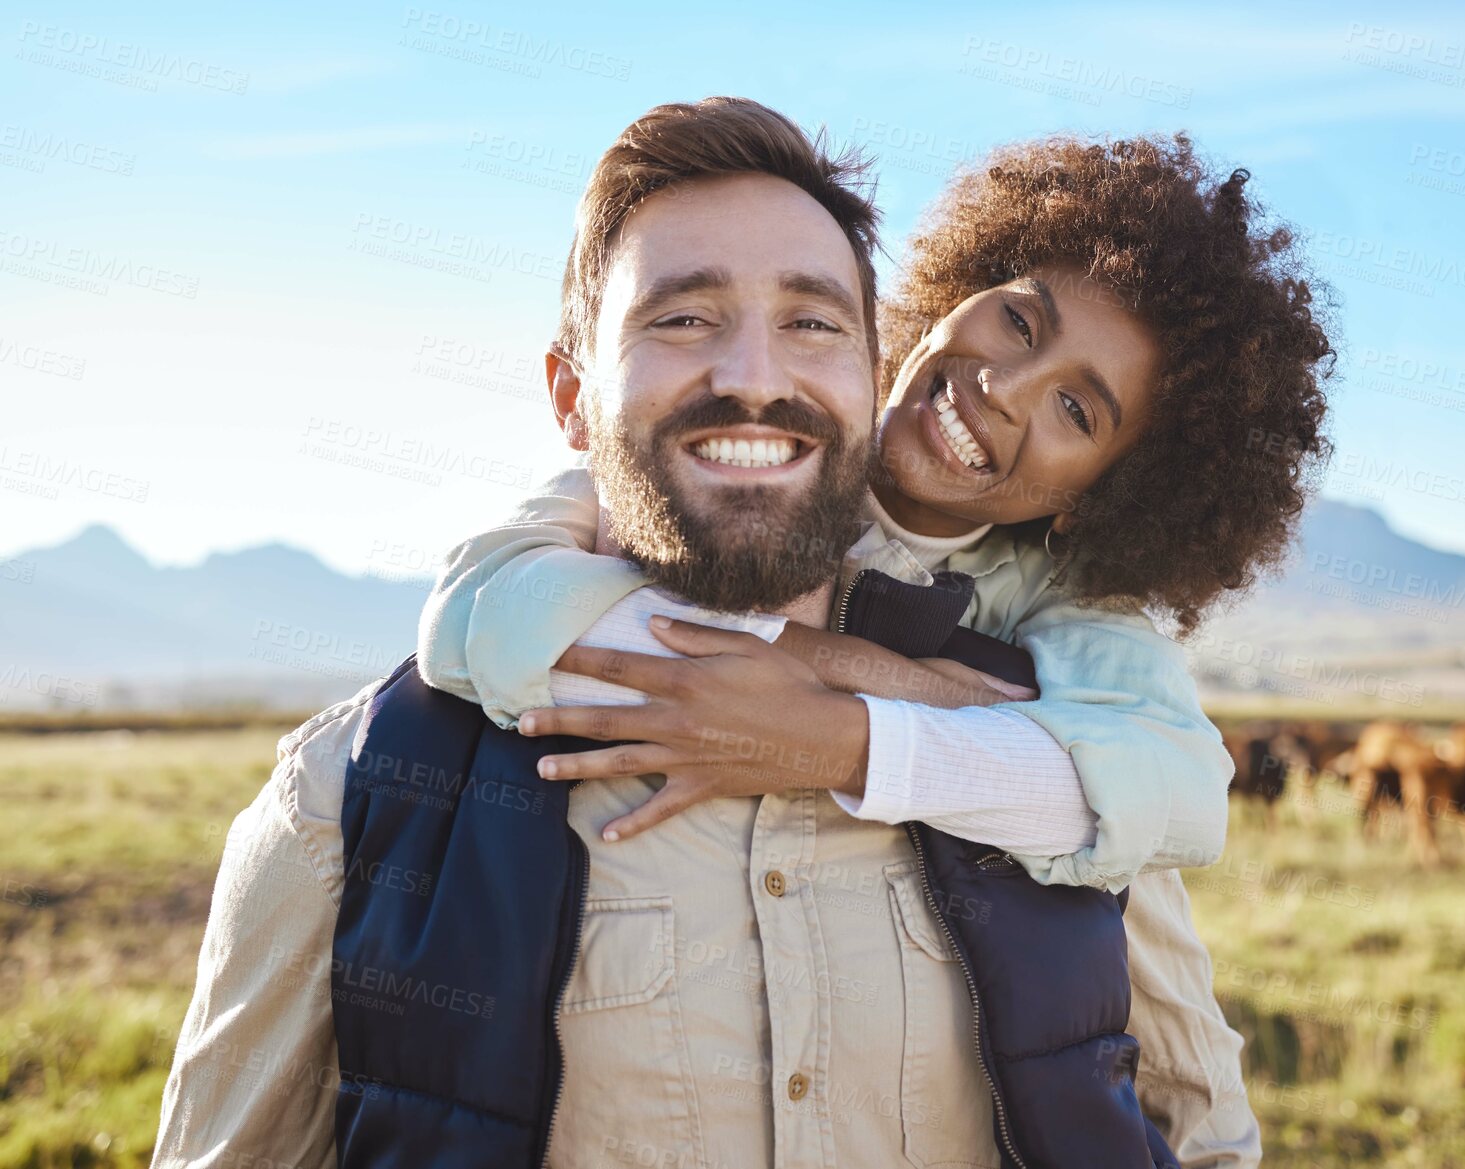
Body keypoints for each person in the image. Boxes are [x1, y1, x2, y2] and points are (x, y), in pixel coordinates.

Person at [150, 97, 1239, 1169]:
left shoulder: (1070, 741)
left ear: (861, 371)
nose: (755, 376)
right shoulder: (354, 792)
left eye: (812, 322)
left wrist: (852, 727)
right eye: (681, 317)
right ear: (573, 398)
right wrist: (819, 666)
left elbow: (1202, 1110)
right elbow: (479, 606)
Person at [415, 129, 1333, 1166]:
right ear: (951, 287)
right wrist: (906, 687)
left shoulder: (1069, 606)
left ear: (1100, 498)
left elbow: (1176, 795)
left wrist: (849, 722)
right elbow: (478, 614)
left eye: (1077, 409)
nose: (1007, 386)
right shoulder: (734, 457)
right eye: (1018, 320)